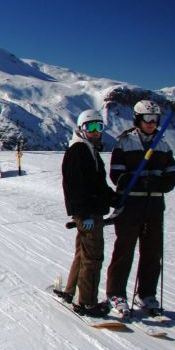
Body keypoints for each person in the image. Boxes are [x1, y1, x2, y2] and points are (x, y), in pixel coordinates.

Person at [106, 100, 175, 316]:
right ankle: (116, 293)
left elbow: (171, 174)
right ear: (138, 119)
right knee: (124, 250)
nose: (151, 123)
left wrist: (158, 183)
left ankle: (146, 293)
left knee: (152, 251)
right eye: (147, 119)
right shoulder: (125, 143)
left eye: (155, 119)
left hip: (154, 204)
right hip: (131, 204)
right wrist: (135, 181)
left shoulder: (162, 144)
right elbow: (116, 174)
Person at [56, 109, 116, 316]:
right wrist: (84, 214)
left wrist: (115, 199)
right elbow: (75, 186)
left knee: (83, 254)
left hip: (90, 211)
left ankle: (71, 292)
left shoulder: (88, 150)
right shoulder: (79, 151)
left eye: (99, 127)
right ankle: (87, 303)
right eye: (90, 127)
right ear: (81, 129)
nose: (95, 131)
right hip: (88, 213)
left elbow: (98, 184)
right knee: (93, 257)